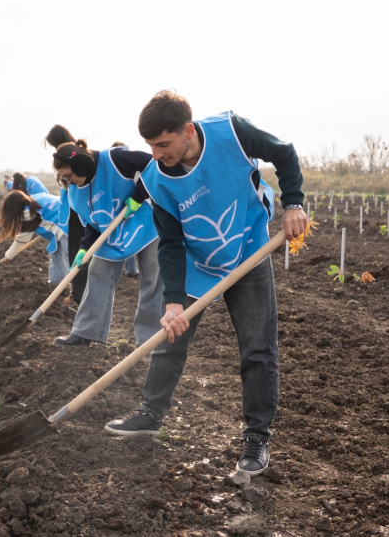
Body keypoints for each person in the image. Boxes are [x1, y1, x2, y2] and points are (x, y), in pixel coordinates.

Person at [104, 90, 307, 478]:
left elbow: (284, 153)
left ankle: (256, 439)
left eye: (163, 144)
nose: (157, 153)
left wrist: (293, 203)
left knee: (258, 348)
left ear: (188, 130)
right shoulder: (155, 180)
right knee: (170, 338)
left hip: (247, 248)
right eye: (151, 146)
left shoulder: (231, 131)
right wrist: (174, 302)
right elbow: (171, 243)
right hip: (199, 261)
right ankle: (150, 414)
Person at [50, 141, 164, 349]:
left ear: (82, 165)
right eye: (64, 178)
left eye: (69, 176)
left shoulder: (115, 159)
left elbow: (154, 164)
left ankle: (150, 342)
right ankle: (85, 333)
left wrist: (138, 196)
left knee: (153, 279)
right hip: (112, 234)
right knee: (97, 273)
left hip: (145, 224)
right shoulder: (77, 194)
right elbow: (94, 224)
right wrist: (84, 248)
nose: (69, 181)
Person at [45, 125, 88, 307]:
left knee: (78, 252)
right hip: (75, 210)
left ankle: (79, 295)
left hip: (77, 211)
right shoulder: (76, 154)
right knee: (78, 252)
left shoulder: (72, 159)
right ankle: (79, 292)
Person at [0, 189, 70, 285]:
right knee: (55, 252)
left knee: (71, 258)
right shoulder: (34, 198)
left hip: (67, 224)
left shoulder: (28, 212)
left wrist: (8, 256)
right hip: (65, 215)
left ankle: (78, 293)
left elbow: (21, 240)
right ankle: (56, 283)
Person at [111, 142, 141, 280]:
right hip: (123, 210)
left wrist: (137, 198)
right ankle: (131, 269)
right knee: (127, 239)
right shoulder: (114, 168)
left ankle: (131, 268)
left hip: (137, 208)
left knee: (127, 239)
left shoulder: (132, 164)